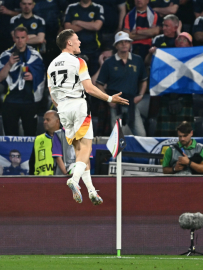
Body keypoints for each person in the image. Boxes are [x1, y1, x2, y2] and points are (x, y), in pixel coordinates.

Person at [47, 29, 128, 205]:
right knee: (86, 150)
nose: (80, 42)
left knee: (79, 153)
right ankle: (74, 181)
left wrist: (62, 107)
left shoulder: (51, 65)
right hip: (78, 105)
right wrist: (109, 98)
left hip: (62, 109)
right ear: (69, 43)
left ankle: (92, 191)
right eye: (77, 40)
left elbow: (51, 94)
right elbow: (89, 88)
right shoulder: (79, 61)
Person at [0, 26, 45, 136]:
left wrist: (33, 77)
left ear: (27, 38)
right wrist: (9, 64)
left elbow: (42, 76)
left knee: (30, 136)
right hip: (10, 101)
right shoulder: (5, 55)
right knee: (10, 136)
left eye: (22, 37)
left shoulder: (35, 56)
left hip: (29, 101)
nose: (20, 40)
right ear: (14, 38)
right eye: (17, 38)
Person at [96, 31, 147, 136]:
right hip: (115, 103)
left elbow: (144, 80)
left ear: (130, 44)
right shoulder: (109, 62)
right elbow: (99, 84)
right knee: (117, 137)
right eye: (120, 42)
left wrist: (141, 95)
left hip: (131, 102)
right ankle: (118, 153)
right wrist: (108, 99)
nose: (124, 44)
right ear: (116, 46)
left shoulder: (137, 60)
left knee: (141, 135)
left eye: (126, 42)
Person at [64, 0, 104, 75]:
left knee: (93, 79)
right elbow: (67, 28)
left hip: (93, 50)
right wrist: (90, 24)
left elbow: (97, 26)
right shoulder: (71, 7)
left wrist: (77, 22)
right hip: (75, 50)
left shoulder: (98, 7)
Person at [28, 110, 61, 175]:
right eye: (44, 120)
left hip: (61, 181)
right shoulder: (38, 139)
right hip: (40, 181)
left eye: (48, 120)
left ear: (57, 122)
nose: (44, 122)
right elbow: (32, 163)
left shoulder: (67, 138)